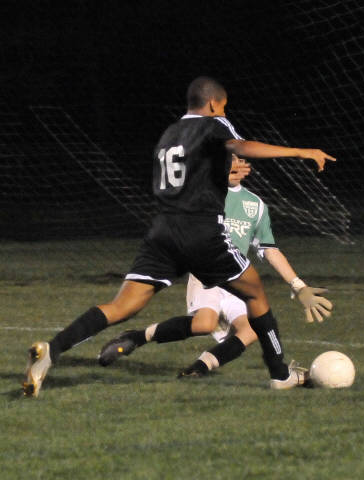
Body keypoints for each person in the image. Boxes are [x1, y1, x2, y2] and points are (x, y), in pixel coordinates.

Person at [23, 76, 336, 397]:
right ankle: (280, 375)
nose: (225, 114)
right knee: (255, 294)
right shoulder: (214, 124)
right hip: (201, 230)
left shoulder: (170, 134)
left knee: (122, 306)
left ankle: (53, 349)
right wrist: (299, 151)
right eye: (223, 107)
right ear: (213, 103)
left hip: (162, 232)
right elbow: (240, 146)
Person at [97, 156, 333, 379]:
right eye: (228, 160)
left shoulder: (255, 204)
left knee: (251, 329)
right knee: (204, 324)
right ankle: (137, 337)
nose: (234, 164)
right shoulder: (205, 195)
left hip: (237, 279)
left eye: (238, 160)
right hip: (206, 274)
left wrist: (298, 285)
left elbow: (270, 249)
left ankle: (200, 367)